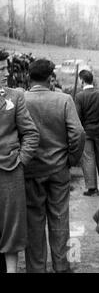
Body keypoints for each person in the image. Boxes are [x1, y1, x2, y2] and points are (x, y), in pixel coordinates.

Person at [24, 59, 85, 273]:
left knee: (34, 222)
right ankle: (62, 267)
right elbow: (77, 134)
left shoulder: (20, 99)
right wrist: (71, 159)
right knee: (60, 218)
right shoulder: (64, 99)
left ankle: (36, 268)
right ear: (51, 78)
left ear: (28, 77)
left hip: (30, 171)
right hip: (59, 169)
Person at [0, 51, 39, 273]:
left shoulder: (15, 96)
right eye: (1, 70)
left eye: (6, 68)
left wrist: (20, 161)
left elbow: (31, 134)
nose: (7, 73)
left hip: (9, 171)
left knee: (11, 228)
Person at [75, 70, 99, 197]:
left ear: (82, 80)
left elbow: (78, 117)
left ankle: (92, 189)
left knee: (88, 159)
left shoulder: (80, 96)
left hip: (86, 132)